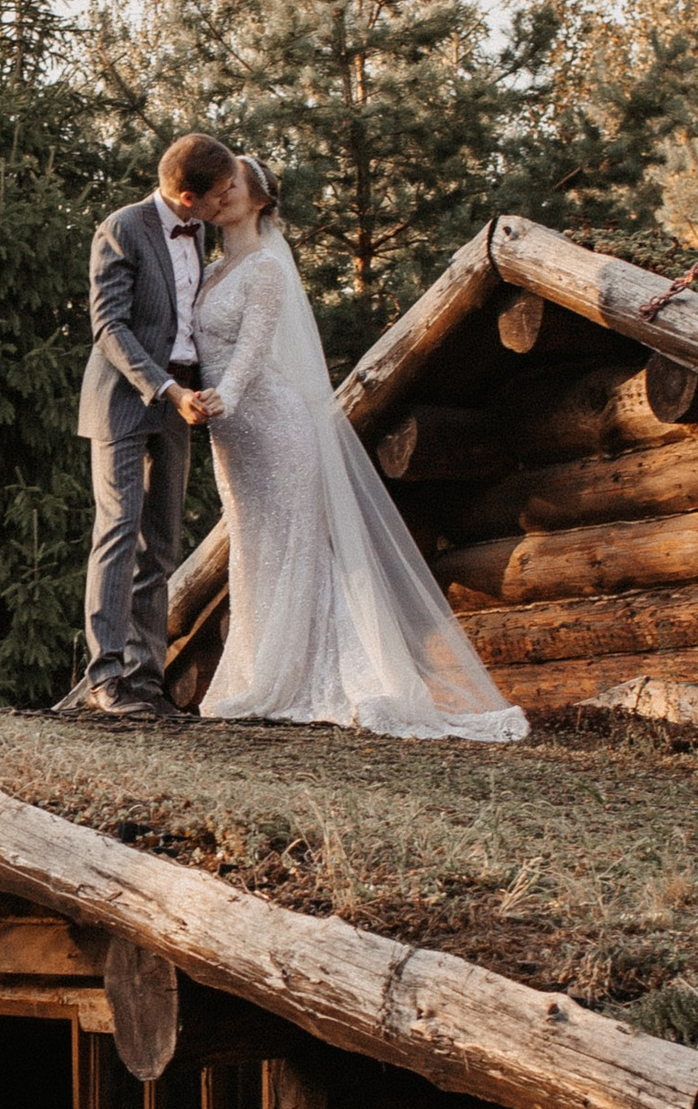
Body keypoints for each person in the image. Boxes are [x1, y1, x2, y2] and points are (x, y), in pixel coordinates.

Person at [187, 154, 527, 741]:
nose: (220, 194)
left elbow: (252, 350)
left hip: (269, 423)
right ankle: (261, 671)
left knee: (294, 547)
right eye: (217, 187)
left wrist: (224, 396)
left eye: (232, 185)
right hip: (233, 438)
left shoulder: (266, 267)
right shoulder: (213, 271)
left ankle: (297, 678)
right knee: (254, 545)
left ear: (260, 200)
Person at [58, 133, 251, 724]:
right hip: (123, 399)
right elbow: (109, 327)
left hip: (182, 402)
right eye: (220, 194)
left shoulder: (203, 235)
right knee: (118, 530)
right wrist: (165, 388)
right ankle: (105, 677)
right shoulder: (123, 227)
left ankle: (145, 679)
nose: (226, 203)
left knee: (160, 542)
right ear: (188, 196)